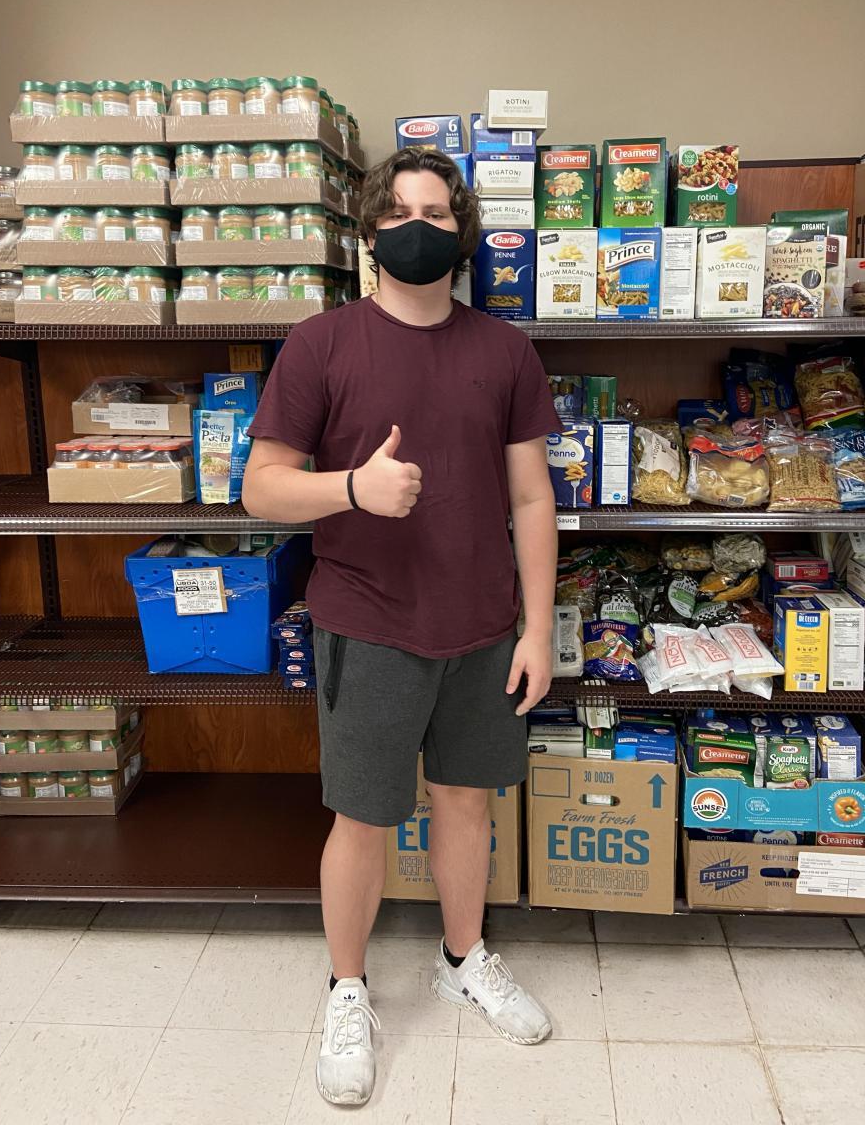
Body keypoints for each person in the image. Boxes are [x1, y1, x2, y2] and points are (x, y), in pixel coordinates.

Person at [243, 146, 561, 1107]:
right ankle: (347, 989)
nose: (418, 229)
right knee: (363, 817)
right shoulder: (321, 344)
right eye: (400, 214)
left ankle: (463, 960)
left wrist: (537, 629)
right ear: (370, 233)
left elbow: (532, 499)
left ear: (463, 237)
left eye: (437, 214)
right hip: (367, 623)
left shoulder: (504, 351)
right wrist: (354, 488)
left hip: (483, 626)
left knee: (466, 805)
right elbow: (261, 489)